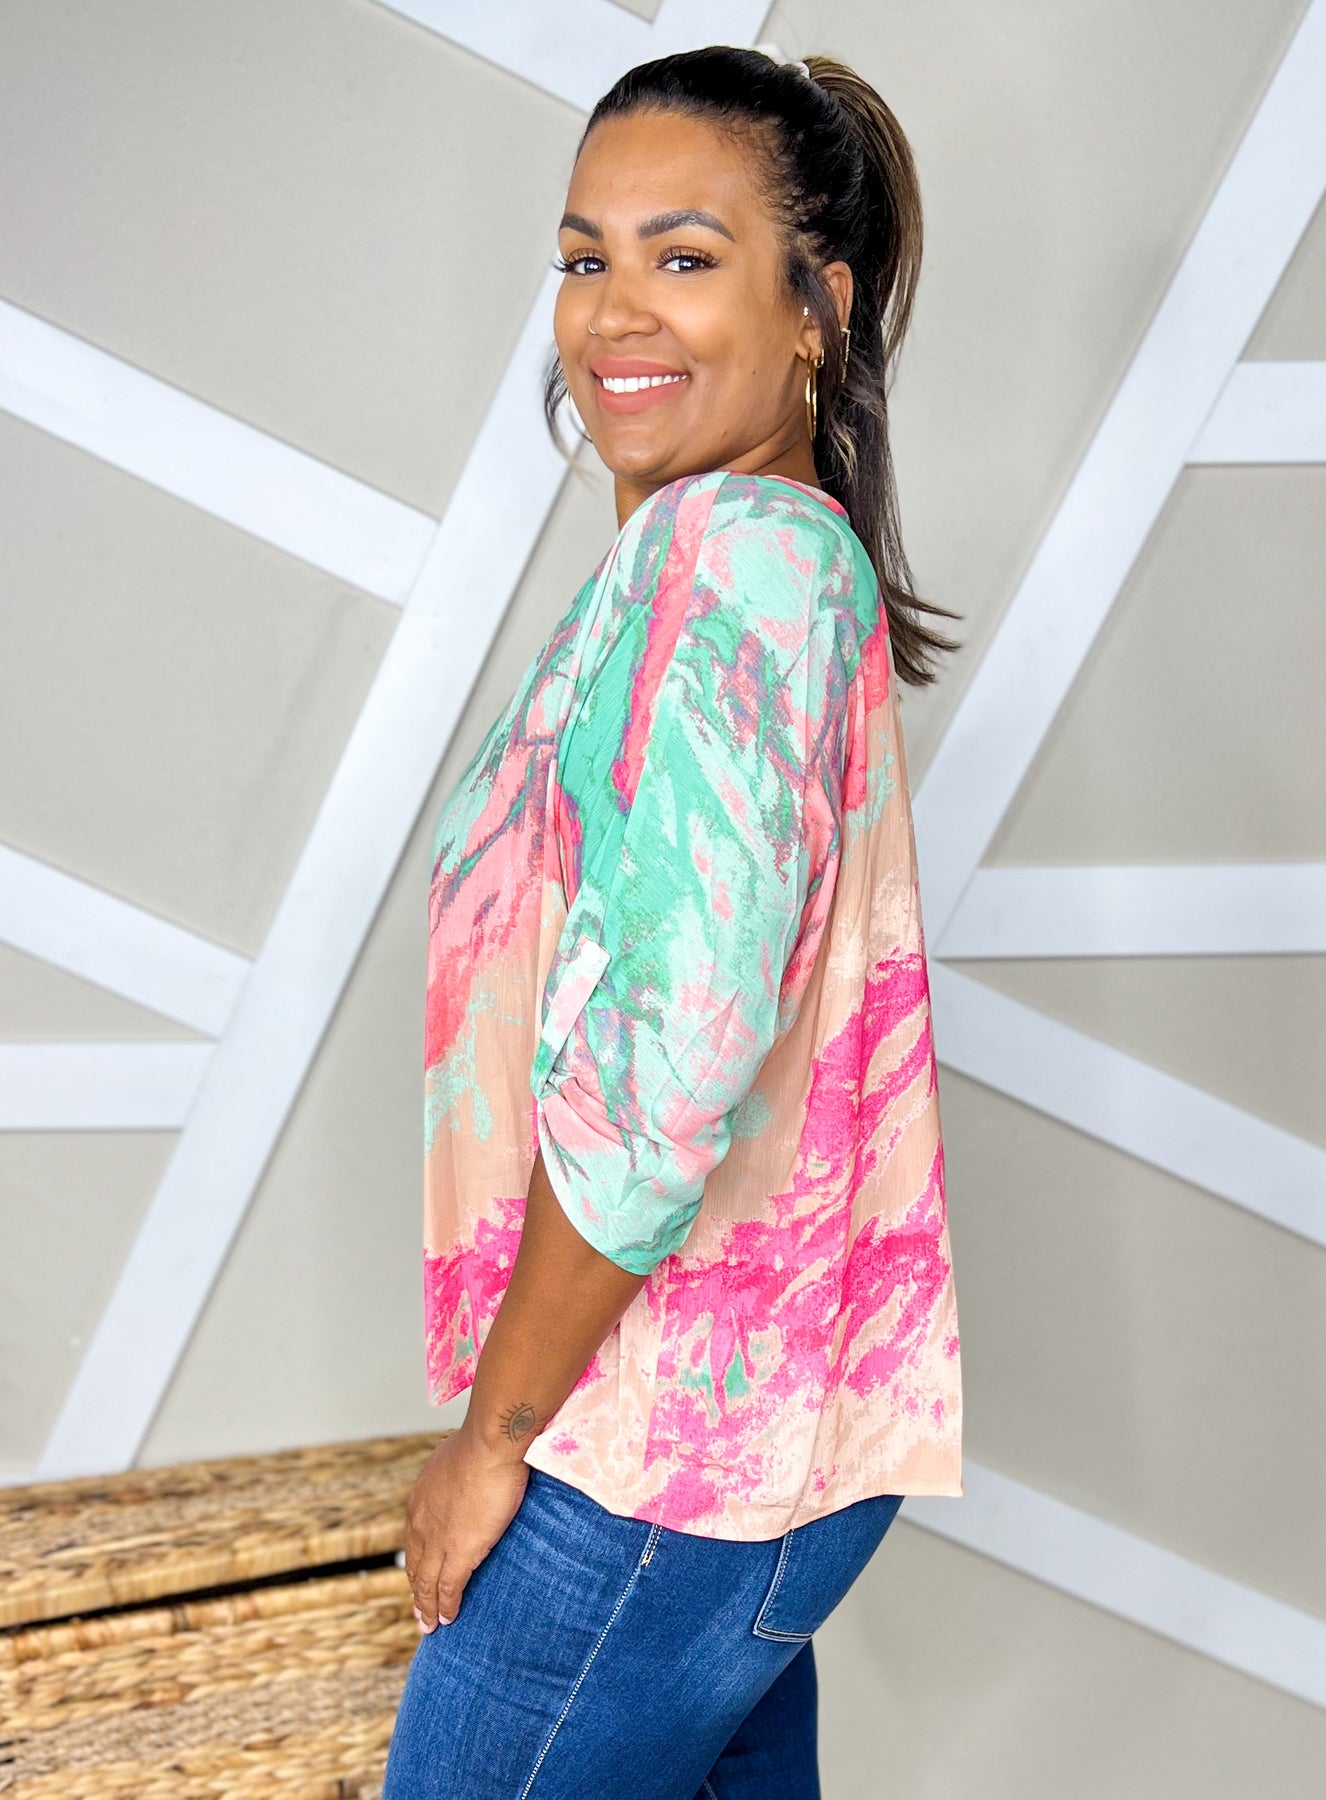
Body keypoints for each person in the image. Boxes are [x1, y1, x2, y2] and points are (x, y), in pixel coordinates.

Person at [383, 41, 964, 1800]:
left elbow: (657, 1086)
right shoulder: (728, 557)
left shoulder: (737, 568)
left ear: (816, 310)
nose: (615, 310)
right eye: (586, 257)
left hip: (647, 1469)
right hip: (737, 1457)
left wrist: (491, 1440)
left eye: (685, 255)